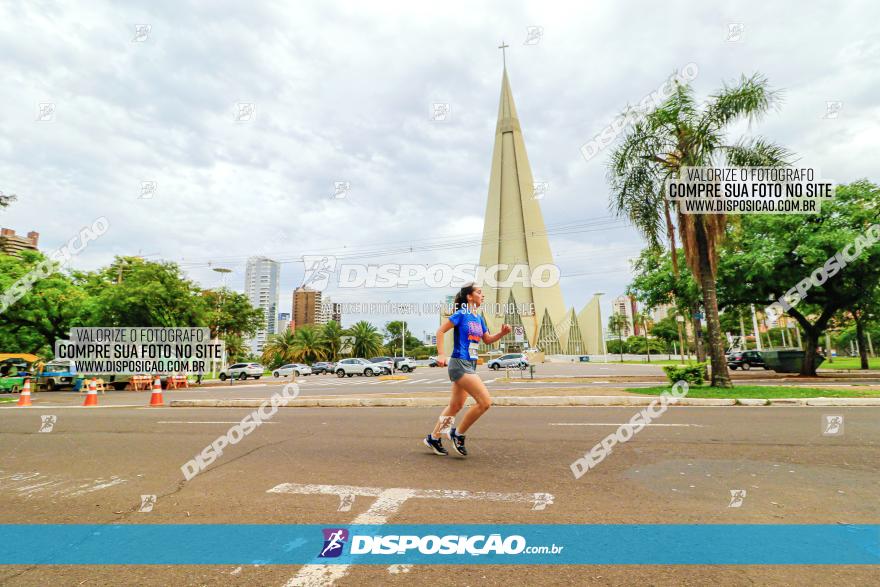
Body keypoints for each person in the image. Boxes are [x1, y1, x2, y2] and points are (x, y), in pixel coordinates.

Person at [424, 283, 511, 456]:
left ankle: (434, 437)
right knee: (485, 402)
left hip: (470, 364)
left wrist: (501, 334)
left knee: (455, 406)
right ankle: (458, 434)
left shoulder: (479, 318)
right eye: (479, 292)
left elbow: (487, 339)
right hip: (459, 363)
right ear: (469, 297)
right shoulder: (461, 314)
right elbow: (440, 331)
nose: (482, 295)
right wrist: (441, 354)